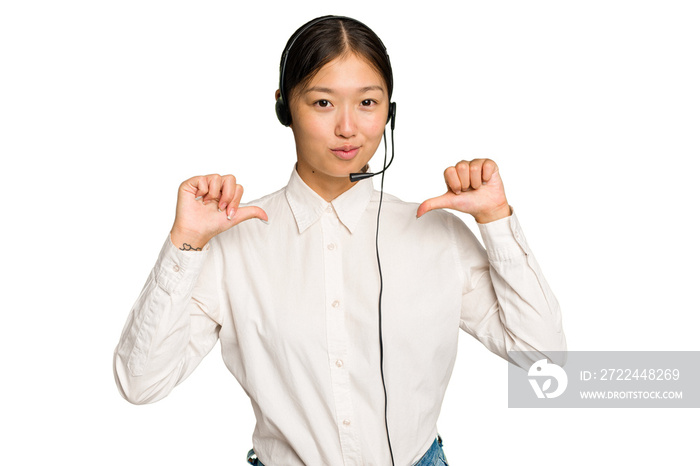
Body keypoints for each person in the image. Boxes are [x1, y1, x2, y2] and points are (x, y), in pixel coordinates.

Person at [114, 15, 566, 466]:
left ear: (391, 111)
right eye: (323, 103)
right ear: (285, 108)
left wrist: (496, 221)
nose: (348, 128)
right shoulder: (234, 245)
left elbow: (545, 359)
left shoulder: (437, 234)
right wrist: (185, 244)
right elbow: (140, 384)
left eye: (368, 102)